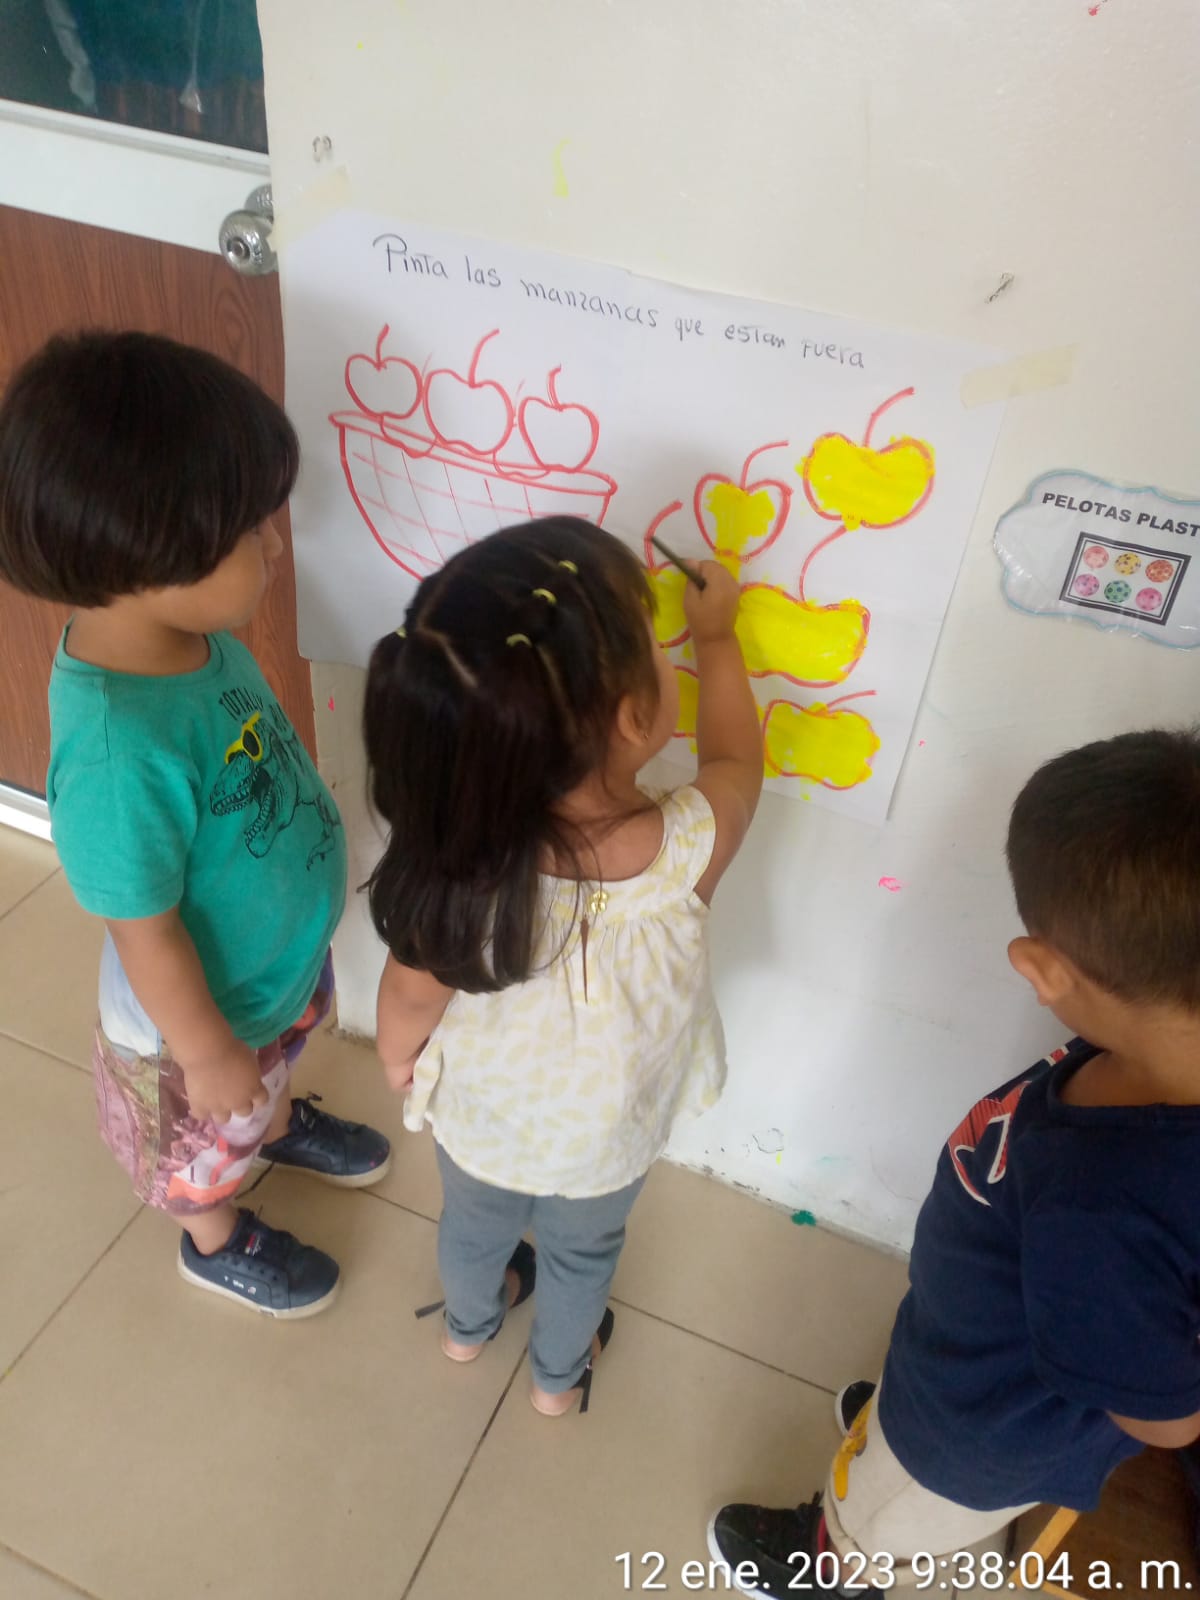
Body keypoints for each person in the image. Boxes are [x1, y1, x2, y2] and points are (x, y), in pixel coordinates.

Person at [709, 729, 1200, 1594]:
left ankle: (831, 1562)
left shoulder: (1098, 1213)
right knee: (900, 1425)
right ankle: (886, 1440)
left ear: (1039, 969)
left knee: (878, 1513)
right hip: (971, 1342)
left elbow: (1167, 1423)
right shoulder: (1150, 1079)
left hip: (971, 1432)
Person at [0, 330, 390, 1318]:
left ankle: (275, 1123)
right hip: (197, 1026)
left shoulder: (191, 636)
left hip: (270, 977)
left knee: (265, 1080)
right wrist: (209, 1051)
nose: (276, 544)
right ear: (145, 558)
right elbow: (143, 928)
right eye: (250, 531)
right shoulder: (117, 749)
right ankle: (215, 1239)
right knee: (200, 1152)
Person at [363, 516, 762, 1413]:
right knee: (584, 1255)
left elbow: (408, 992)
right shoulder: (686, 847)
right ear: (633, 716)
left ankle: (466, 1329)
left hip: (484, 1119)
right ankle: (555, 1382)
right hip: (604, 1138)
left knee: (474, 1230)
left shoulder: (457, 862)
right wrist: (716, 638)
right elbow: (738, 758)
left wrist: (396, 1062)